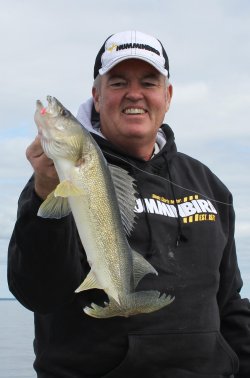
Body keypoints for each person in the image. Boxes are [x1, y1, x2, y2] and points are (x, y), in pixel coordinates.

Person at [8, 30, 250, 378]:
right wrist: (45, 191)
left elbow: (229, 303)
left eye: (149, 82)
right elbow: (38, 293)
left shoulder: (209, 185)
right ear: (97, 95)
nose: (134, 94)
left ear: (167, 96)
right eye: (118, 82)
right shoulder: (54, 182)